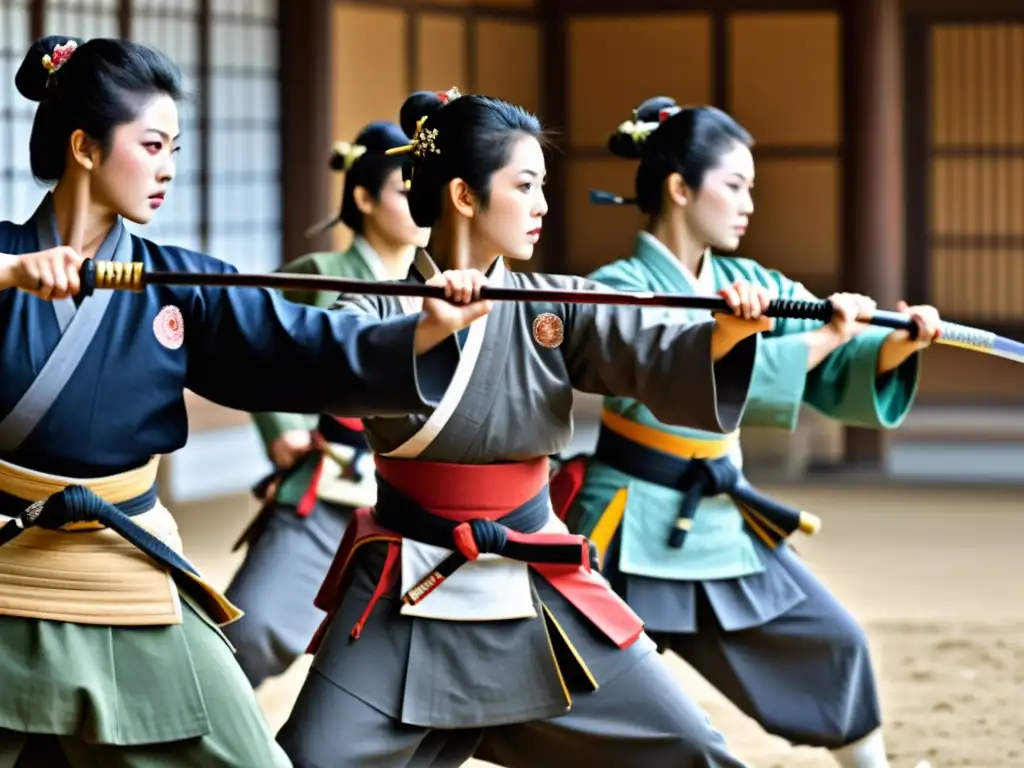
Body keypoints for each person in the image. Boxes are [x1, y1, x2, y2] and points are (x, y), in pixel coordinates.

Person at [0, 37, 487, 766]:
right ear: (86, 148)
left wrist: (417, 333)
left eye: (176, 147)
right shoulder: (9, 262)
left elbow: (297, 340)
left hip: (126, 562)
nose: (169, 168)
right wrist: (9, 273)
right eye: (153, 144)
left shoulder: (181, 284)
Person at [276, 86, 775, 768]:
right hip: (404, 578)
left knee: (691, 748)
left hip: (535, 568)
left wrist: (722, 336)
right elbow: (336, 359)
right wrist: (425, 327)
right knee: (313, 757)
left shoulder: (553, 306)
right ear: (463, 195)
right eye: (526, 184)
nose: (543, 205)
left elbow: (651, 344)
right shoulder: (373, 304)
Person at [561, 97, 941, 768]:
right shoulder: (619, 287)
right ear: (681, 189)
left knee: (833, 640)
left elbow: (832, 368)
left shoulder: (752, 281)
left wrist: (893, 346)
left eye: (751, 189)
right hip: (625, 520)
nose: (748, 205)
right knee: (569, 677)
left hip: (719, 516)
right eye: (734, 186)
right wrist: (824, 337)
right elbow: (676, 376)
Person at [225, 120, 431, 688]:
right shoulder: (321, 274)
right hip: (331, 483)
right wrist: (282, 427)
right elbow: (254, 344)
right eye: (404, 189)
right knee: (253, 628)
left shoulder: (437, 288)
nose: (421, 202)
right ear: (363, 198)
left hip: (418, 497)